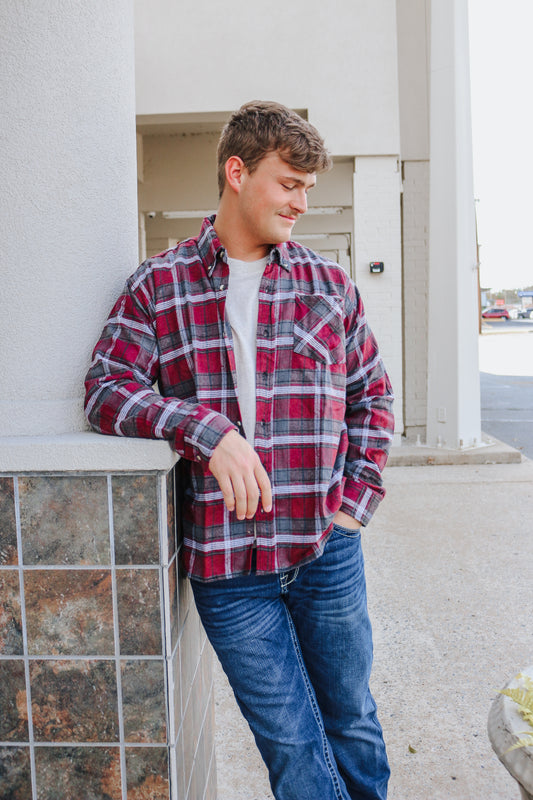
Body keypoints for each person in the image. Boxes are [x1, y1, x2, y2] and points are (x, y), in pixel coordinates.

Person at [85, 100, 394, 800]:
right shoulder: (158, 285)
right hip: (230, 569)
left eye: (307, 187)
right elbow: (106, 389)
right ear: (236, 171)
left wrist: (352, 507)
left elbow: (371, 399)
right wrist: (205, 430)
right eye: (289, 183)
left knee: (352, 723)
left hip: (326, 548)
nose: (301, 201)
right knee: (292, 748)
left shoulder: (329, 285)